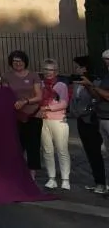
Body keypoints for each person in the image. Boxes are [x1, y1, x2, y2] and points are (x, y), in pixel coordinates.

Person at [71, 55, 107, 194]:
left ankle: (102, 183)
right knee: (90, 153)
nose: (76, 69)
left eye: (78, 67)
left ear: (85, 68)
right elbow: (74, 100)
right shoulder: (77, 83)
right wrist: (75, 112)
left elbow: (96, 99)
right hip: (80, 120)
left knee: (96, 152)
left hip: (91, 121)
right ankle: (97, 181)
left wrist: (86, 111)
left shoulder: (95, 82)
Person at [5, 49, 43, 172]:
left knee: (33, 146)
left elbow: (39, 96)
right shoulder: (7, 76)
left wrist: (25, 101)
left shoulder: (33, 75)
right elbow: (4, 95)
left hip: (33, 115)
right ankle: (18, 172)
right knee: (16, 146)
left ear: (25, 61)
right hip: (15, 116)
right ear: (11, 63)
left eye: (20, 61)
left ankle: (32, 175)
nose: (18, 63)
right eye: (15, 61)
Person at [37, 58, 70, 189]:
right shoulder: (40, 85)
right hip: (43, 120)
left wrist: (46, 108)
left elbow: (63, 103)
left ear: (56, 72)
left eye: (51, 70)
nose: (48, 72)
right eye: (46, 69)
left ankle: (65, 179)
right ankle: (51, 178)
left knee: (62, 150)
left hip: (58, 120)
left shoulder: (61, 86)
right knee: (47, 150)